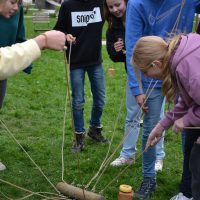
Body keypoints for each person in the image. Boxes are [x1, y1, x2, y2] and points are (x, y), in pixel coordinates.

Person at [125, 0, 200, 199]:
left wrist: (186, 120)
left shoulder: (186, 68)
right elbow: (188, 100)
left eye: (146, 72)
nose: (148, 78)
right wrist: (162, 126)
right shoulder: (176, 56)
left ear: (157, 63)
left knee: (198, 160)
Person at [0, 0, 66, 171]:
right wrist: (41, 41)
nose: (16, 7)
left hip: (5, 70)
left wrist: (26, 61)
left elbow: (19, 37)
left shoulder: (17, 12)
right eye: (12, 2)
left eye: (19, 3)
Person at [104, 0, 165, 169]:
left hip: (155, 74)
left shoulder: (145, 12)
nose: (115, 9)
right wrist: (116, 50)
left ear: (126, 2)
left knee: (158, 118)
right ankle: (127, 154)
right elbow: (114, 54)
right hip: (134, 75)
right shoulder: (113, 26)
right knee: (132, 115)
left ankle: (158, 157)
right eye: (111, 7)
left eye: (118, 5)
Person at [54, 0, 108, 153]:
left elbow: (115, 15)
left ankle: (94, 129)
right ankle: (79, 137)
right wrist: (66, 35)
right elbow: (58, 30)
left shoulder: (99, 3)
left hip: (95, 61)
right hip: (76, 62)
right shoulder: (68, 5)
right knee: (78, 101)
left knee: (101, 98)